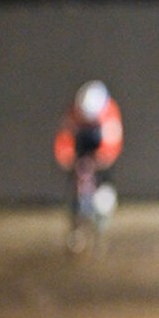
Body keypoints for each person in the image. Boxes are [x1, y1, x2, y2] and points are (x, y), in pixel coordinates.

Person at [55, 80, 123, 247]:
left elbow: (111, 147)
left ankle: (100, 227)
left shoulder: (110, 115)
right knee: (76, 186)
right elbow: (65, 139)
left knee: (104, 195)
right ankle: (76, 226)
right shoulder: (73, 114)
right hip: (82, 149)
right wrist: (68, 158)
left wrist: (96, 161)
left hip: (100, 153)